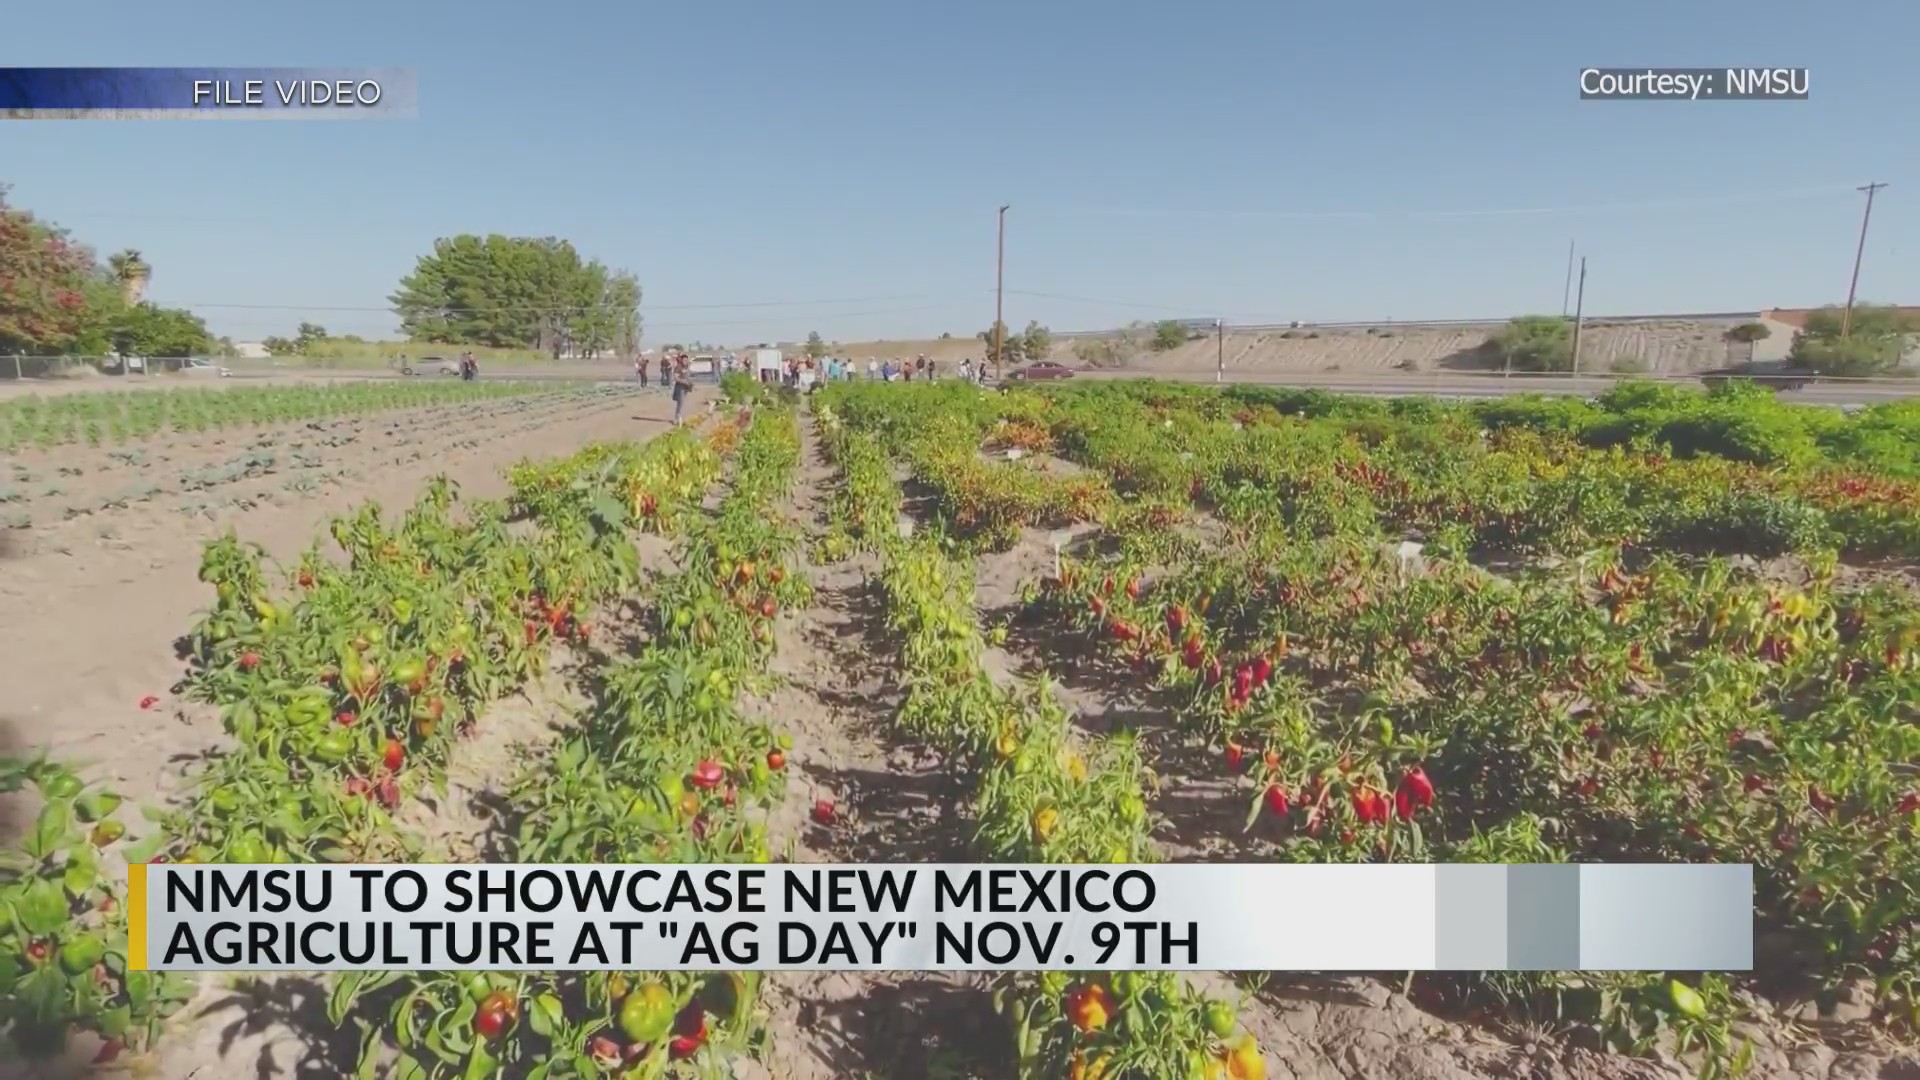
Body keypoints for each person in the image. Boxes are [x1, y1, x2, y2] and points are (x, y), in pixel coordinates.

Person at [670, 353, 692, 425]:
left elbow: (687, 375)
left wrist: (689, 382)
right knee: (680, 402)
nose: (685, 361)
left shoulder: (686, 366)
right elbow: (675, 377)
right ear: (681, 360)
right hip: (680, 387)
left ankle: (678, 416)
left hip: (686, 387)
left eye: (686, 360)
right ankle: (678, 417)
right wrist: (683, 381)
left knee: (682, 402)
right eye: (684, 360)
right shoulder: (678, 367)